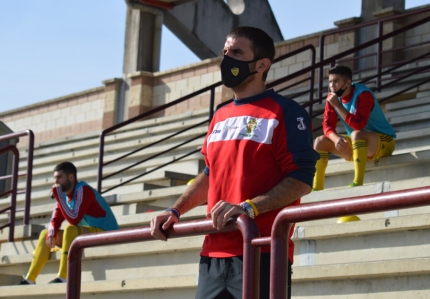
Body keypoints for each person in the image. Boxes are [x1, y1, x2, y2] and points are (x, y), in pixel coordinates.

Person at [150, 26, 318, 299]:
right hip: (212, 252)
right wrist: (176, 210)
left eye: (237, 52)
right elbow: (210, 174)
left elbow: (301, 180)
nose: (227, 59)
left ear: (262, 64)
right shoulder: (220, 115)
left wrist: (248, 208)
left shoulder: (286, 111)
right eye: (225, 52)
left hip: (262, 250)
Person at [18, 162, 119, 285]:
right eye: (55, 178)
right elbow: (55, 220)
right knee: (46, 233)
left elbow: (74, 219)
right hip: (88, 233)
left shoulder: (83, 190)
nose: (56, 182)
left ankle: (63, 277)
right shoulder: (63, 196)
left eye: (59, 177)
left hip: (107, 233)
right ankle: (29, 279)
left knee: (70, 229)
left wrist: (59, 197)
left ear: (71, 177)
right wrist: (51, 233)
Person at [312, 65, 396, 190]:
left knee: (356, 134)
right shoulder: (332, 97)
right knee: (319, 141)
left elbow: (359, 124)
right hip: (360, 146)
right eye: (330, 81)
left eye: (336, 81)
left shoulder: (363, 94)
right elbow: (327, 124)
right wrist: (336, 140)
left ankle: (358, 183)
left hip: (384, 142)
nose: (332, 86)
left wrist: (337, 106)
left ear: (348, 83)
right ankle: (317, 188)